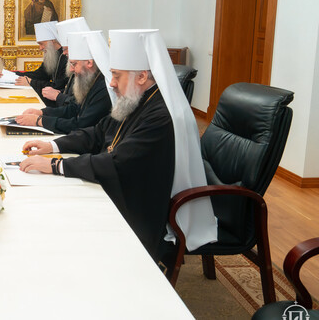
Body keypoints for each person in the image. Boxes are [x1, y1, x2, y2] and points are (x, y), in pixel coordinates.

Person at [19, 29, 217, 262]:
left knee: (56, 218)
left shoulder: (160, 114)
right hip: (119, 183)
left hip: (136, 206)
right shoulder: (135, 98)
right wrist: (52, 145)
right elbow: (98, 132)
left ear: (142, 77)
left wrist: (55, 166)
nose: (111, 83)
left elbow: (118, 162)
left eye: (116, 75)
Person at [16, 30, 114, 134]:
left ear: (89, 63)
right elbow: (75, 109)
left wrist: (40, 121)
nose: (71, 70)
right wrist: (42, 112)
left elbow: (81, 125)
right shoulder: (91, 78)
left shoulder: (104, 87)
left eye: (74, 64)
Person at [12, 21, 68, 107]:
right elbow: (40, 74)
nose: (40, 48)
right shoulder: (53, 54)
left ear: (52, 40)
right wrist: (12, 74)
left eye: (42, 44)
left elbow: (57, 86)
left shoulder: (66, 58)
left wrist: (31, 82)